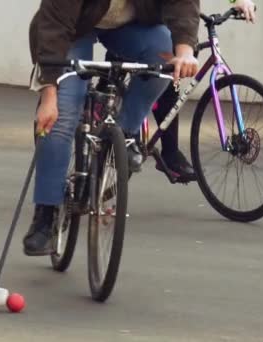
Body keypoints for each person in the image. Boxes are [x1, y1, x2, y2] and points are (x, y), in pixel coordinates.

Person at [23, 0, 201, 256]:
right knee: (61, 118)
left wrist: (184, 51)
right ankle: (47, 215)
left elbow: (181, 3)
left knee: (162, 52)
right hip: (72, 29)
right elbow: (53, 28)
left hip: (129, 26)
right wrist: (49, 98)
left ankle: (125, 133)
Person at [144, 0, 257, 182]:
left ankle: (170, 153)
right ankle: (169, 152)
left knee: (171, 82)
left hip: (179, 18)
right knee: (161, 71)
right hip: (145, 17)